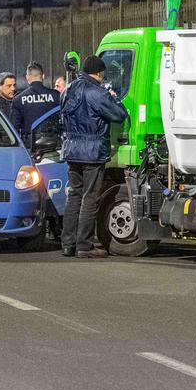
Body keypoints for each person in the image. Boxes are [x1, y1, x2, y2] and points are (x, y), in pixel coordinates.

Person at [60, 55, 128, 259]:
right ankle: (84, 245)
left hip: (71, 150)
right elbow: (119, 114)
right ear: (99, 73)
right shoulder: (97, 93)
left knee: (74, 196)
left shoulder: (68, 90)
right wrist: (113, 96)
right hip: (92, 152)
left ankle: (68, 243)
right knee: (90, 198)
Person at [10, 62, 61, 149]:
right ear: (43, 76)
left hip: (30, 146)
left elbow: (13, 127)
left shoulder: (18, 99)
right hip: (54, 144)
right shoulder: (56, 95)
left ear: (27, 77)